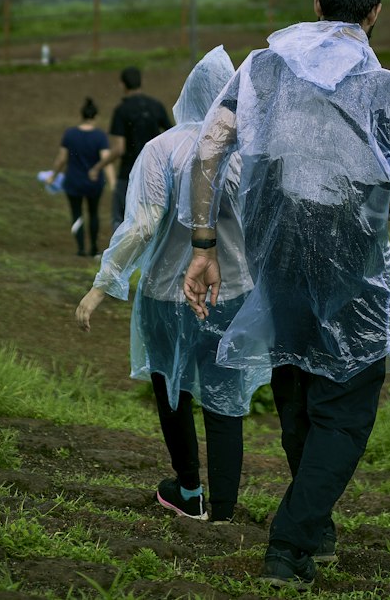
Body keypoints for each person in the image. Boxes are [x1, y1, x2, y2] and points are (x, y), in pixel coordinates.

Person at [182, 0, 390, 590]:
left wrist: (204, 243)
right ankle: (290, 541)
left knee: (298, 390)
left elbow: (208, 151)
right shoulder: (389, 91)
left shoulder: (262, 68)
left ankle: (314, 529)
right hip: (349, 270)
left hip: (277, 261)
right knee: (347, 409)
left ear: (317, 3)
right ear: (375, 12)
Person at [76, 47, 263, 523]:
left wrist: (102, 285)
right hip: (231, 294)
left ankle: (188, 491)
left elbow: (140, 225)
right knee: (225, 399)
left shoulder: (161, 149)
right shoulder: (247, 152)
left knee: (172, 391)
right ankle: (222, 511)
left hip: (166, 294)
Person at [107, 66, 173, 233]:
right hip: (154, 173)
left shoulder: (121, 111)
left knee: (121, 218)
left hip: (128, 172)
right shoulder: (156, 106)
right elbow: (172, 135)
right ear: (141, 82)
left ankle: (120, 257)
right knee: (151, 218)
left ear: (122, 85)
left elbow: (119, 149)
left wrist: (99, 166)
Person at [49, 98, 110, 258]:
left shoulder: (70, 134)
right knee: (94, 213)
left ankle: (81, 248)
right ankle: (94, 247)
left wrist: (52, 176)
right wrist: (111, 180)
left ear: (81, 116)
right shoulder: (100, 136)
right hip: (94, 183)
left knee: (77, 214)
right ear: (95, 117)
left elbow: (61, 159)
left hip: (73, 182)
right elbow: (106, 158)